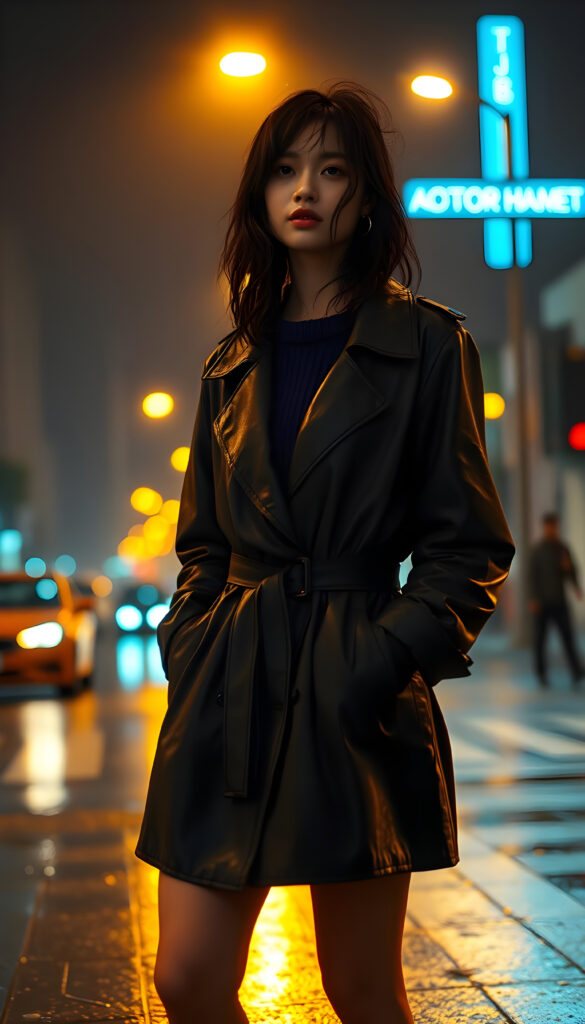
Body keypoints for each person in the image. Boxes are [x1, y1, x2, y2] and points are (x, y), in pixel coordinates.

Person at [135, 81, 515, 1024]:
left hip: (355, 687)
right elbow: (203, 546)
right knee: (184, 978)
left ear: (367, 197)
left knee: (359, 990)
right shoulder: (230, 361)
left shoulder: (426, 345)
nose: (305, 189)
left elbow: (466, 543)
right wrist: (190, 647)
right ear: (259, 197)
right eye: (284, 169)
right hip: (230, 682)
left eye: (333, 169)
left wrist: (379, 661)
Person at [528, 511, 584, 688]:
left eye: (554, 526)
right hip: (542, 602)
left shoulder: (562, 548)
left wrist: (575, 586)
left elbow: (572, 570)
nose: (552, 529)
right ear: (545, 528)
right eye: (549, 526)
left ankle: (577, 671)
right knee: (540, 640)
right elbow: (532, 577)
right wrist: (533, 598)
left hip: (559, 601)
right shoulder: (538, 551)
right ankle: (541, 673)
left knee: (568, 637)